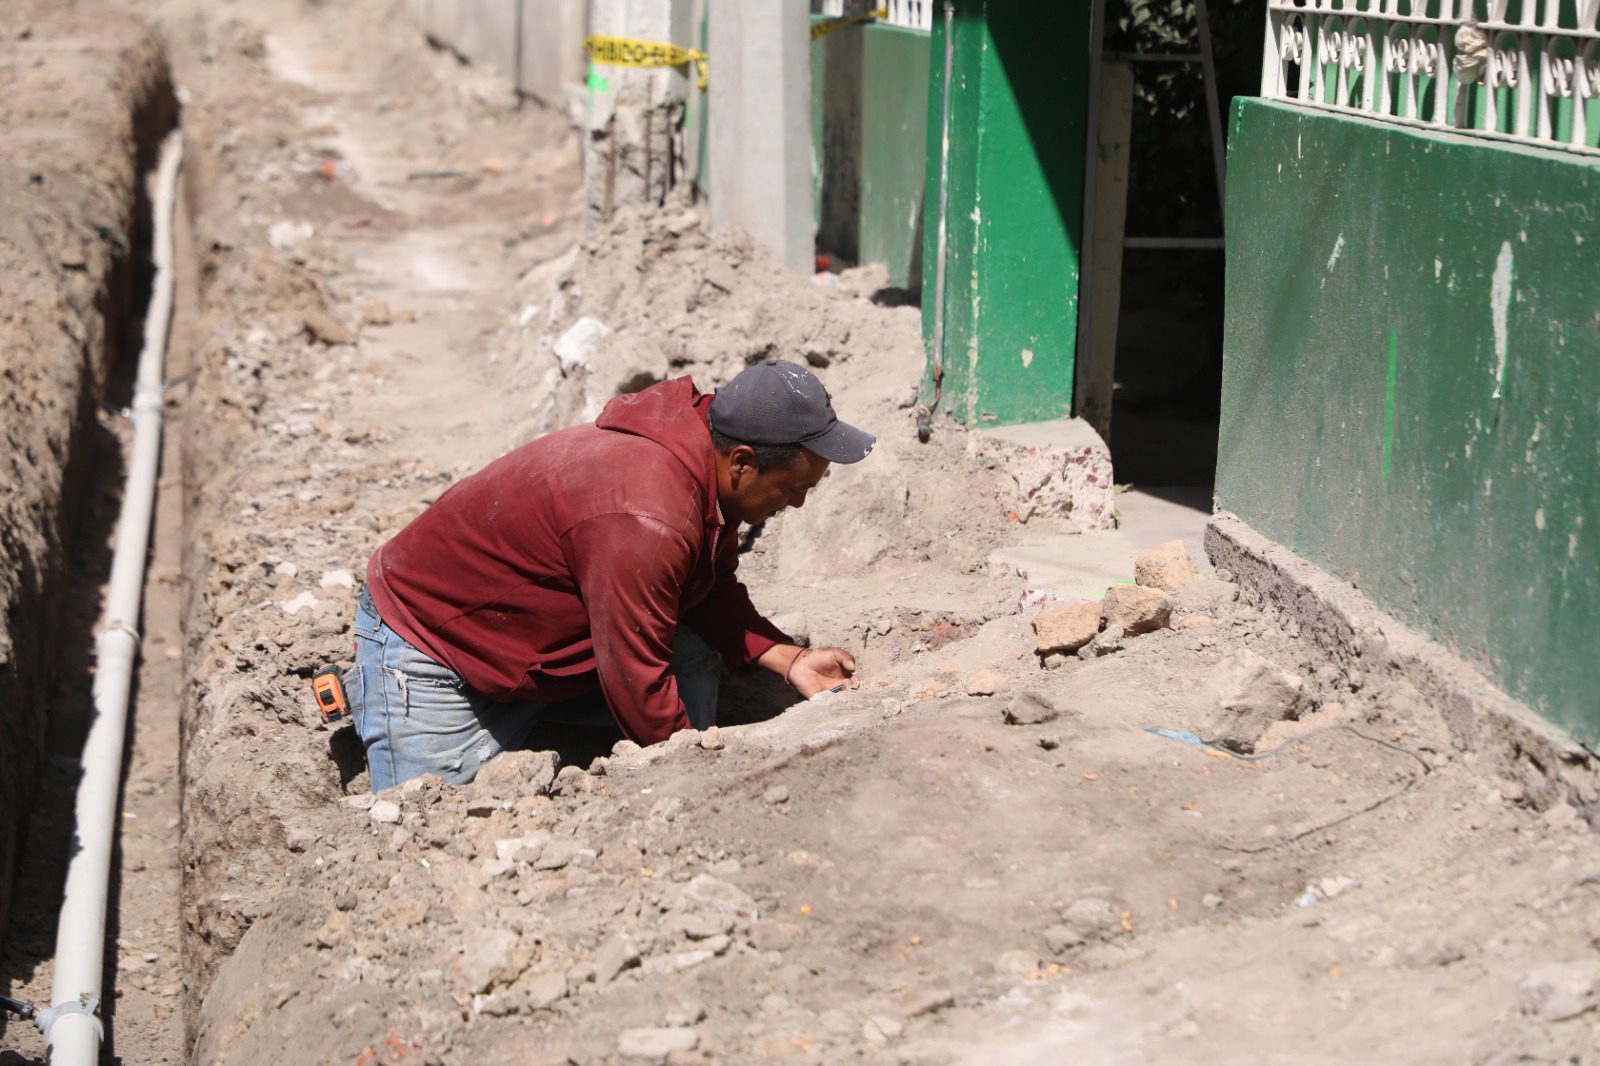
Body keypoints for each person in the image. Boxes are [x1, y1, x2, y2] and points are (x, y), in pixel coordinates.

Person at [347, 359, 875, 791]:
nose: (800, 503)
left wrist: (792, 660)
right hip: (432, 651)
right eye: (792, 487)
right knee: (424, 825)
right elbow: (636, 676)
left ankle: (552, 731)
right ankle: (384, 703)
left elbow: (709, 583)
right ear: (742, 463)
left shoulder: (698, 461)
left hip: (523, 648)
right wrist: (696, 784)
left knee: (690, 650)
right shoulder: (647, 518)